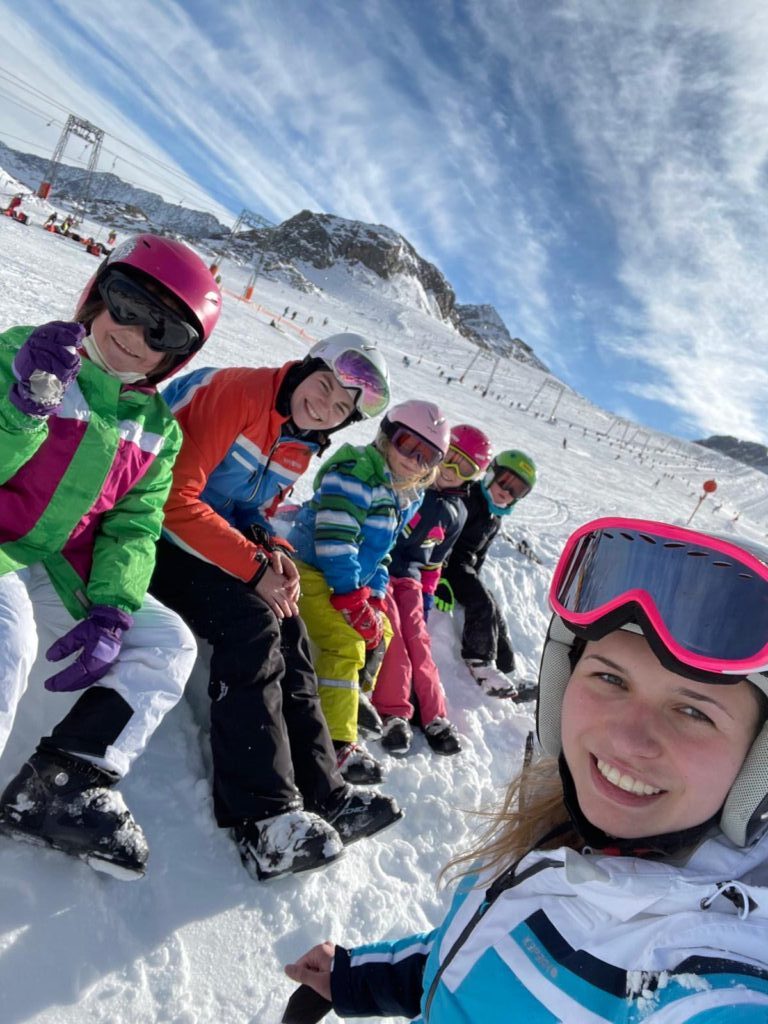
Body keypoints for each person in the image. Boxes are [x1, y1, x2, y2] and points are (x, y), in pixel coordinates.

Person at [285, 517, 768, 1021]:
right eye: (610, 678)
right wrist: (358, 978)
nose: (628, 740)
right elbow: (481, 957)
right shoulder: (564, 845)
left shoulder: (713, 980)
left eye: (693, 712)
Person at [0, 233, 221, 877]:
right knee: (9, 642)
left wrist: (114, 607)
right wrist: (23, 411)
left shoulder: (158, 430)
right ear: (97, 295)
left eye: (164, 332)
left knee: (168, 641)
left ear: (177, 356)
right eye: (127, 304)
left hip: (59, 563)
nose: (135, 336)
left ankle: (63, 783)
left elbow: (133, 526)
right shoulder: (24, 354)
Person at [149, 334, 403, 881]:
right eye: (325, 386)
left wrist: (272, 548)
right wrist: (254, 567)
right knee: (251, 622)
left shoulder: (300, 439)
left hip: (197, 535)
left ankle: (324, 792)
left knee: (292, 626)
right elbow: (172, 498)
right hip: (141, 526)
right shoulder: (238, 393)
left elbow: (246, 507)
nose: (326, 406)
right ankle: (262, 818)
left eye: (342, 406)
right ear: (304, 368)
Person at [289, 400, 449, 784]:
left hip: (348, 579)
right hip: (310, 569)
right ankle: (337, 743)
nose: (413, 460)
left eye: (426, 456)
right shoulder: (356, 474)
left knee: (383, 630)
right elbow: (335, 540)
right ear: (387, 436)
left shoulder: (402, 494)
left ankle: (352, 695)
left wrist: (374, 597)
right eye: (408, 444)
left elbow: (380, 555)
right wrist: (351, 598)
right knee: (345, 640)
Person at [373, 424, 493, 756]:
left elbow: (434, 563)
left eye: (465, 468)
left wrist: (425, 600)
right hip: (381, 569)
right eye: (450, 458)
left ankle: (435, 716)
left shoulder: (458, 513)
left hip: (411, 580)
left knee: (419, 641)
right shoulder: (411, 482)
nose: (452, 471)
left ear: (474, 476)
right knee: (394, 636)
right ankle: (394, 713)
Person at [437, 449, 536, 699]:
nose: (507, 491)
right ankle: (479, 661)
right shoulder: (469, 497)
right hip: (449, 564)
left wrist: (477, 582)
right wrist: (439, 578)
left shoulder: (495, 517)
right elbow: (442, 535)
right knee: (482, 603)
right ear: (491, 473)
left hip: (466, 569)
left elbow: (479, 556)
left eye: (517, 490)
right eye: (505, 481)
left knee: (494, 609)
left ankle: (508, 671)